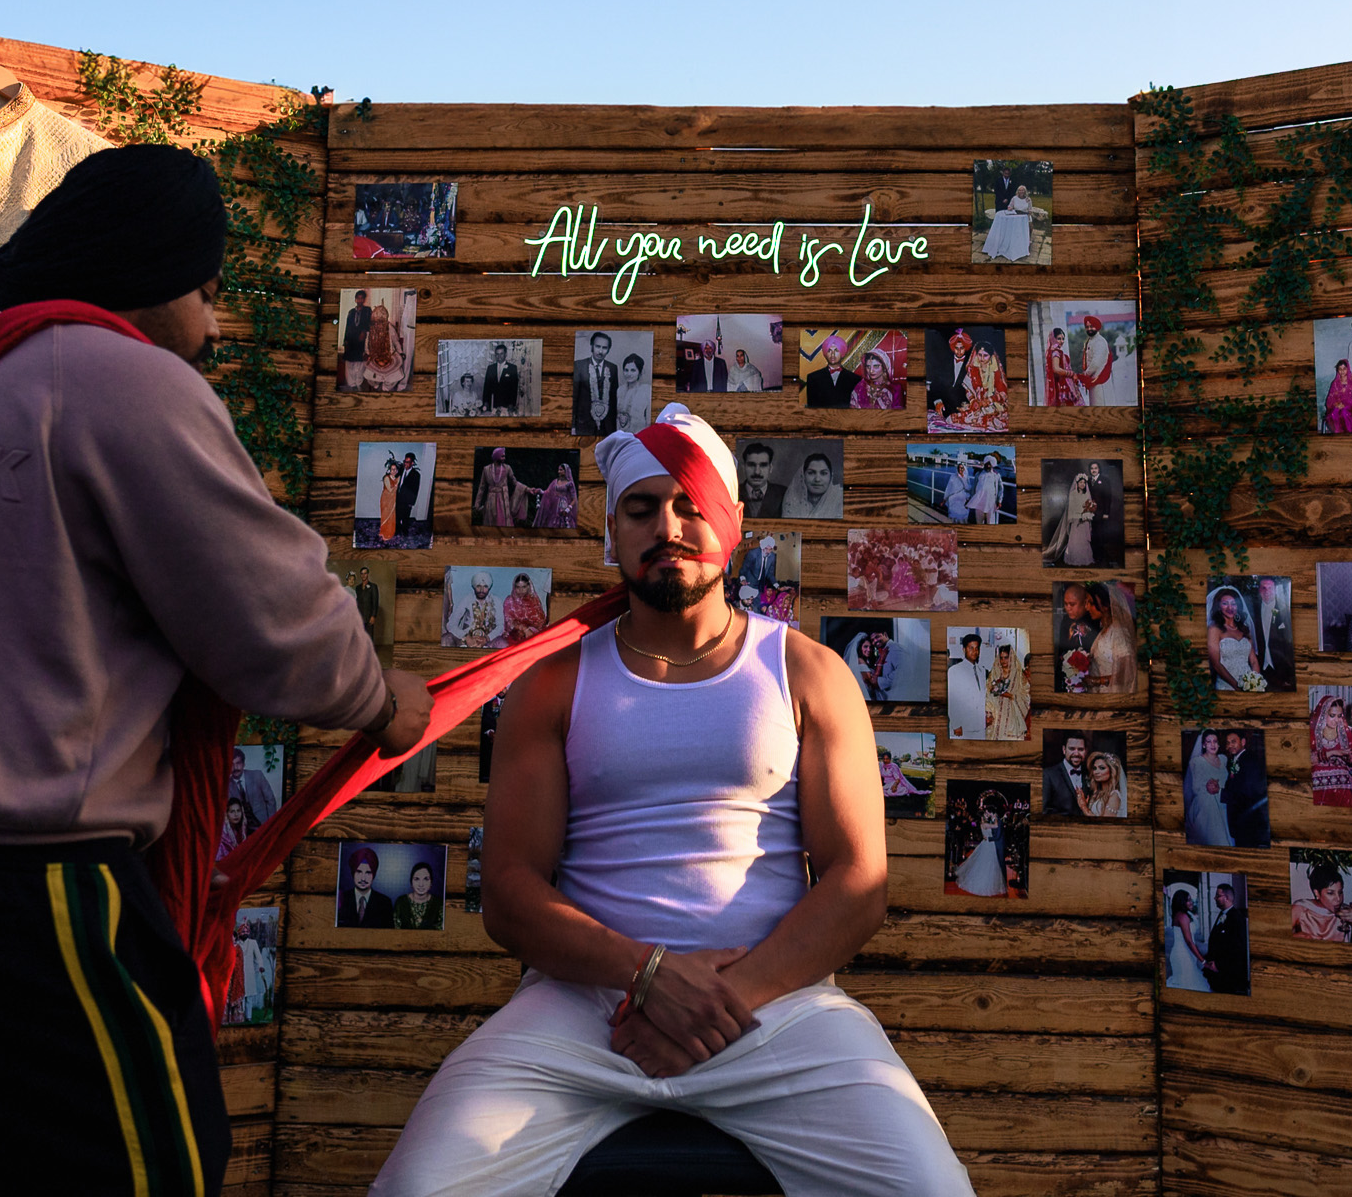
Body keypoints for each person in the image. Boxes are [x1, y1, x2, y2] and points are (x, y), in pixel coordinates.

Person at [0, 145, 429, 1195]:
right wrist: (382, 699)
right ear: (153, 269)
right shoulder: (123, 377)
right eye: (210, 292)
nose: (216, 329)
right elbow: (270, 618)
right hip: (21, 889)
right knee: (153, 1170)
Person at [372, 401, 972, 1197]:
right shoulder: (553, 682)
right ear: (611, 533)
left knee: (931, 1190)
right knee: (420, 1188)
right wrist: (649, 976)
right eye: (643, 507)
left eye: (691, 503)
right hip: (583, 1011)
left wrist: (719, 1001)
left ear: (732, 524)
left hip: (778, 1009)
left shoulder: (808, 672)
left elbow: (859, 884)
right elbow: (511, 894)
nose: (669, 524)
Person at [1219, 730, 1267, 848]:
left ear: (1243, 742)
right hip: (1240, 820)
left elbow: (1249, 792)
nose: (1230, 745)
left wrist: (1221, 792)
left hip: (1247, 821)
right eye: (1228, 742)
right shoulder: (1236, 760)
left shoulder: (1250, 760)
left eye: (1233, 742)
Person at [1183, 732, 1232, 847]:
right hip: (1207, 807)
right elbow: (1195, 788)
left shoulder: (1223, 759)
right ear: (1204, 745)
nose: (1212, 745)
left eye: (1215, 741)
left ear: (1219, 744)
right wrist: (1208, 786)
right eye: (1209, 742)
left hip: (1223, 804)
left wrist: (1219, 788)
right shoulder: (1196, 762)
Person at [1202, 881, 1247, 994]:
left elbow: (1237, 948)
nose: (1214, 898)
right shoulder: (1223, 914)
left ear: (1226, 898)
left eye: (1218, 895)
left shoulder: (1236, 918)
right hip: (1217, 973)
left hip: (1227, 974)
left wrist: (1219, 965)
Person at [1309, 694, 1352, 806]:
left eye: (1339, 716)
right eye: (1332, 715)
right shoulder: (1312, 732)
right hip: (1316, 769)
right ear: (1324, 714)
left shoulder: (1344, 732)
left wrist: (1350, 757)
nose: (1336, 720)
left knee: (1344, 774)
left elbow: (1351, 756)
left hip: (1341, 769)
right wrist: (1332, 753)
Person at [574, 332, 621, 436]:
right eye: (597, 346)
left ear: (608, 350)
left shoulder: (613, 368)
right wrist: (573, 424)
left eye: (604, 348)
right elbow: (574, 398)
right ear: (591, 346)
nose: (600, 351)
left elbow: (614, 399)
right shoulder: (579, 365)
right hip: (584, 424)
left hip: (607, 425)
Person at [1042, 472, 1094, 567]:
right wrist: (1078, 517)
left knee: (1083, 540)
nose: (1082, 484)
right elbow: (1071, 509)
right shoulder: (1073, 494)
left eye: (1084, 482)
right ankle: (1074, 559)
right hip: (1076, 521)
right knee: (1075, 539)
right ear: (1077, 483)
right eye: (1080, 482)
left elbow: (1089, 507)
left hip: (1084, 521)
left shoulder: (1086, 495)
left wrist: (1087, 515)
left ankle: (1084, 559)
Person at [1164, 886, 1210, 992]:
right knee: (1187, 985)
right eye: (1188, 900)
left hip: (1186, 954)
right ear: (1181, 902)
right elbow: (1189, 941)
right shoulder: (1182, 917)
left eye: (1191, 900)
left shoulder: (1185, 915)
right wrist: (1203, 962)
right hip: (1182, 955)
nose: (1191, 902)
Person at [1292, 863, 1351, 942]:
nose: (1338, 899)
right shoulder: (1301, 908)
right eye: (1330, 893)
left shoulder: (1347, 912)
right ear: (1317, 893)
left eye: (1340, 892)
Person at [338, 848, 395, 928]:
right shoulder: (341, 898)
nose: (363, 878)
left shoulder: (384, 903)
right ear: (353, 873)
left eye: (368, 873)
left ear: (374, 875)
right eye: (359, 872)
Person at [983, 643, 1029, 740]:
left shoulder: (1019, 676)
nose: (1003, 661)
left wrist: (1011, 696)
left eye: (1006, 657)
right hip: (996, 714)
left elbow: (1026, 695)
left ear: (1011, 657)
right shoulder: (994, 673)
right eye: (1001, 658)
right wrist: (988, 714)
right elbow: (987, 693)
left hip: (1012, 715)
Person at [779, 451, 843, 519]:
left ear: (831, 476)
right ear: (803, 476)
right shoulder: (792, 500)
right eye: (811, 473)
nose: (817, 479)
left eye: (823, 473)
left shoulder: (840, 499)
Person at [981, 184, 1034, 261]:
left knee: (1030, 226)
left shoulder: (1028, 199)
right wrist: (1010, 208)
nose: (1021, 191)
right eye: (1020, 190)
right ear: (1018, 191)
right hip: (1015, 216)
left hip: (1025, 217)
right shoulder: (1014, 198)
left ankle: (1025, 242)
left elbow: (1030, 210)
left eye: (1022, 190)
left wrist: (1028, 213)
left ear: (1025, 191)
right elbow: (1010, 206)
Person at [1041, 731, 1087, 815]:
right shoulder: (1048, 775)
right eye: (1072, 749)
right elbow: (1044, 811)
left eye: (1080, 749)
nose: (1076, 753)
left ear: (1085, 751)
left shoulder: (1091, 774)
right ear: (1064, 750)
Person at [806, 336, 860, 408]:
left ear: (842, 353)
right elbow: (812, 407)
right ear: (825, 353)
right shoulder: (813, 378)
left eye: (836, 350)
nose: (833, 354)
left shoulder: (855, 379)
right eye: (829, 350)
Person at [393, 860, 446, 930]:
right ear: (411, 882)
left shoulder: (439, 904)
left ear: (431, 883)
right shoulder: (401, 902)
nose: (421, 884)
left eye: (426, 879)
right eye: (417, 879)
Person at [501, 573, 549, 643]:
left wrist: (530, 630)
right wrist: (524, 629)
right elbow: (509, 622)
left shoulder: (534, 600)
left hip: (532, 633)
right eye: (518, 587)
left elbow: (540, 621)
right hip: (514, 633)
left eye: (524, 587)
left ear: (529, 586)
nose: (521, 590)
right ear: (514, 587)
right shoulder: (509, 601)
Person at [339, 289, 373, 389]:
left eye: (362, 298)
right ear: (355, 300)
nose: (360, 300)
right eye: (358, 298)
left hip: (361, 340)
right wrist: (345, 340)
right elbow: (347, 326)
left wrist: (363, 331)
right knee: (350, 362)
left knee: (360, 362)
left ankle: (358, 382)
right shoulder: (351, 312)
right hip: (351, 339)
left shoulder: (367, 310)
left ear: (364, 300)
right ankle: (351, 384)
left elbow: (369, 323)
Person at [1322, 359, 1352, 436]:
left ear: (1348, 369)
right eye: (1340, 369)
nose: (1342, 371)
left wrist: (1345, 404)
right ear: (1337, 370)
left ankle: (1350, 434)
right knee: (1334, 412)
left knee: (1344, 412)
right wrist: (1336, 403)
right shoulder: (1335, 383)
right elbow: (1330, 398)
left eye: (1344, 369)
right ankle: (1339, 435)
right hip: (1338, 406)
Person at [1080, 750, 1126, 818]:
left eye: (1102, 768)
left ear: (1111, 771)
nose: (1096, 772)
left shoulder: (1114, 795)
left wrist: (1083, 807)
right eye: (1094, 768)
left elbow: (1104, 824)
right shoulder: (1096, 792)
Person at [480, 343, 521, 416]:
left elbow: (514, 388)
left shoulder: (512, 368)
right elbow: (486, 387)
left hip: (507, 404)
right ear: (495, 355)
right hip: (493, 403)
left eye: (501, 354)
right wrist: (486, 402)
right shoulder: (490, 368)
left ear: (505, 354)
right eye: (497, 354)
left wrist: (511, 404)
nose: (499, 356)